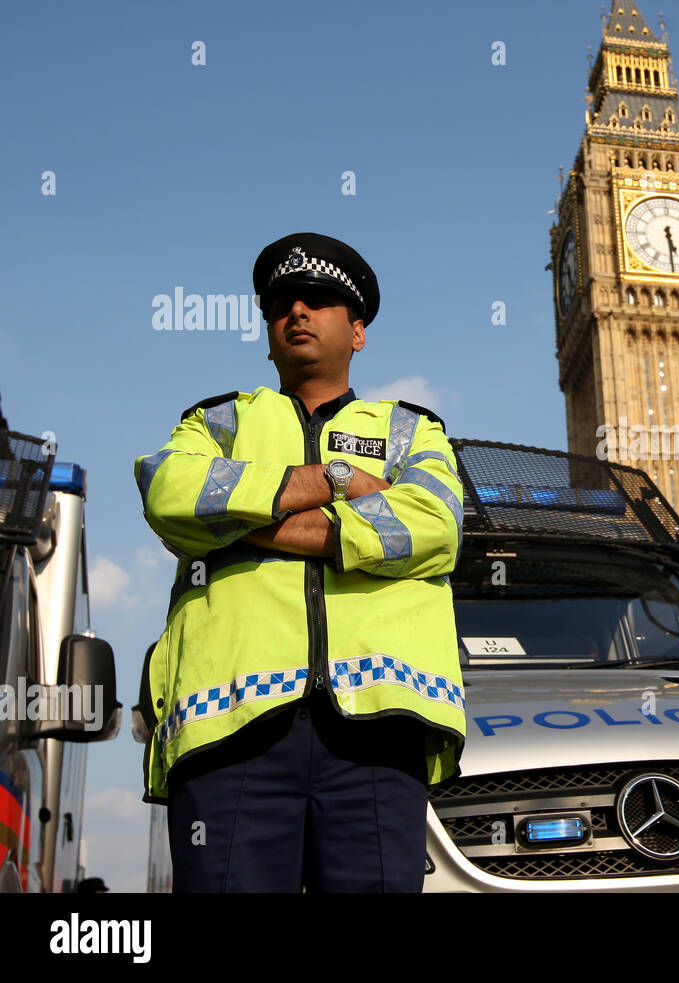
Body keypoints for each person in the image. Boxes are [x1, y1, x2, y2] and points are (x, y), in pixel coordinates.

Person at [133, 232, 466, 892]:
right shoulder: (217, 422)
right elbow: (169, 492)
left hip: (378, 733)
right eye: (283, 302)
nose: (298, 312)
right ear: (267, 330)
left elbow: (431, 527)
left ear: (359, 330)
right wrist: (337, 478)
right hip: (229, 734)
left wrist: (239, 519)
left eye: (319, 300)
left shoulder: (411, 430)